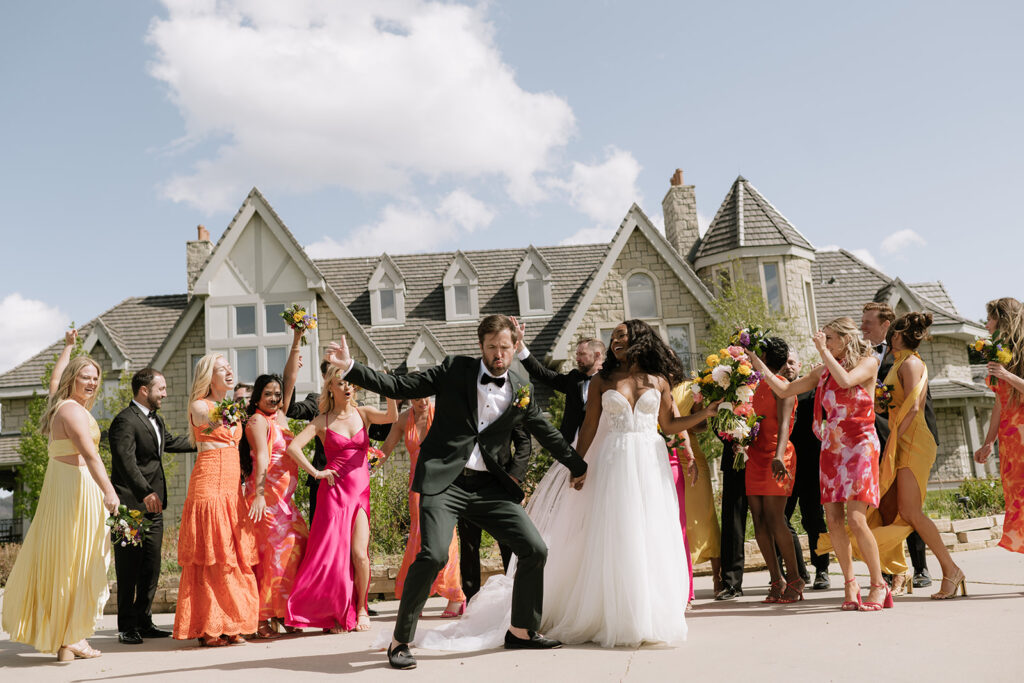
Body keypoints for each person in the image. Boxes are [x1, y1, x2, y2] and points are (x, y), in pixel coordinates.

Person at [414, 319, 721, 652]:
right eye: (612, 338)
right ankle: (609, 613)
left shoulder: (659, 381)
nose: (615, 342)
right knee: (615, 533)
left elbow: (672, 424)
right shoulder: (604, 380)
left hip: (650, 463)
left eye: (621, 337)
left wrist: (709, 413)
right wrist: (577, 466)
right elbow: (588, 429)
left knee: (648, 533)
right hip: (614, 462)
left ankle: (647, 614)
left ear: (640, 340)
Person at [324, 314, 589, 670]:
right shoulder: (454, 369)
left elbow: (546, 432)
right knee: (432, 554)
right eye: (492, 347)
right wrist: (353, 367)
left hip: (489, 488)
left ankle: (521, 630)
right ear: (481, 346)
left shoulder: (520, 389)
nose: (498, 354)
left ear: (514, 348)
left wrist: (579, 466)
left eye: (505, 347)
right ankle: (401, 640)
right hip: (444, 482)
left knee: (534, 549)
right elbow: (401, 385)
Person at [748, 317, 889, 612]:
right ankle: (851, 584)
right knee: (834, 520)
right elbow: (785, 390)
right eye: (823, 338)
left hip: (860, 446)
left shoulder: (868, 363)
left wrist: (823, 353)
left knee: (856, 519)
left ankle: (879, 584)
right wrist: (757, 364)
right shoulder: (822, 371)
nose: (825, 342)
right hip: (832, 448)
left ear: (845, 339)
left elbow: (846, 381)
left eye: (830, 338)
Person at [2, 331, 119, 661]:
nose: (92, 382)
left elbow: (55, 376)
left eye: (95, 377)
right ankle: (71, 636)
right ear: (74, 380)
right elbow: (91, 455)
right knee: (77, 561)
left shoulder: (60, 403)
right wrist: (109, 492)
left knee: (71, 559)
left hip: (65, 487)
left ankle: (68, 638)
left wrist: (68, 346)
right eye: (85, 376)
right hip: (76, 490)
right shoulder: (70, 412)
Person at [285, 371, 397, 633]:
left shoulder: (364, 413)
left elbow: (391, 417)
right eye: (341, 383)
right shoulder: (322, 421)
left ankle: (361, 608)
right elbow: (293, 448)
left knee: (360, 554)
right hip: (333, 494)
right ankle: (335, 611)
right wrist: (316, 472)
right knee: (331, 557)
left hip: (360, 491)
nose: (347, 387)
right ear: (331, 388)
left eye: (350, 383)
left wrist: (389, 389)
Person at [866, 313, 966, 599]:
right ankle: (904, 568)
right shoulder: (898, 362)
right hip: (900, 437)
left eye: (892, 333)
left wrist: (893, 442)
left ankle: (950, 570)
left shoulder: (910, 363)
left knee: (910, 511)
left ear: (897, 335)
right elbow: (892, 404)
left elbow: (913, 408)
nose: (889, 337)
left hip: (912, 441)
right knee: (900, 510)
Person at [173, 354, 259, 646]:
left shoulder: (231, 407)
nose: (230, 371)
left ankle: (231, 623)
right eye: (223, 369)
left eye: (230, 367)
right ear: (209, 376)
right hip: (208, 484)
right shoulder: (201, 406)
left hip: (231, 487)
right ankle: (209, 627)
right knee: (212, 554)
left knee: (230, 556)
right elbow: (206, 418)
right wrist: (235, 409)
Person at [108, 367, 194, 644]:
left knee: (151, 567)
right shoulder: (124, 421)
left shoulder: (155, 420)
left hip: (154, 508)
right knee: (128, 569)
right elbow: (126, 462)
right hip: (130, 509)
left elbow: (169, 442)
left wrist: (204, 442)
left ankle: (144, 622)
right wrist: (145, 492)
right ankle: (126, 626)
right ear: (144, 390)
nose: (165, 394)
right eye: (162, 389)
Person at [240, 330, 311, 638]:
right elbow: (263, 460)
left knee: (297, 549)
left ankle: (284, 613)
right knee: (273, 559)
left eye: (277, 394)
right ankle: (262, 619)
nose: (274, 397)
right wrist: (256, 496)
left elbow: (289, 375)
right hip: (266, 501)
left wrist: (297, 338)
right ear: (257, 397)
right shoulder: (257, 421)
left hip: (285, 501)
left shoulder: (280, 415)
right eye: (268, 393)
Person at [862, 302, 937, 591]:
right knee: (887, 505)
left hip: (906, 436)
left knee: (910, 505)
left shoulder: (909, 360)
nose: (863, 327)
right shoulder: (863, 355)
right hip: (877, 438)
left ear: (887, 326)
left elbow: (917, 400)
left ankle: (921, 567)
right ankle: (892, 570)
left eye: (868, 322)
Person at [380, 398, 467, 617]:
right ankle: (416, 596)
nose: (423, 402)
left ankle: (455, 596)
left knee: (446, 536)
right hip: (416, 485)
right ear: (410, 399)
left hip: (441, 482)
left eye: (427, 396)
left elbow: (458, 443)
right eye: (417, 398)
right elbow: (387, 448)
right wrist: (364, 465)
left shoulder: (440, 413)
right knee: (418, 538)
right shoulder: (403, 419)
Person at [739, 337, 802, 603]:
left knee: (776, 520)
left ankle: (796, 578)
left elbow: (786, 423)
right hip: (755, 456)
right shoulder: (752, 386)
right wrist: (739, 440)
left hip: (779, 454)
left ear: (764, 358)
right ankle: (776, 580)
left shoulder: (784, 386)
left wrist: (778, 456)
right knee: (759, 520)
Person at [456, 425, 531, 604]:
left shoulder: (512, 399)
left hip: (500, 483)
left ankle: (514, 598)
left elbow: (524, 441)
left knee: (509, 543)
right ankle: (471, 601)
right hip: (465, 484)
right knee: (468, 545)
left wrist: (514, 477)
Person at [974, 297, 1024, 557]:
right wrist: (988, 442)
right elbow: (999, 403)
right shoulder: (998, 352)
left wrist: (1007, 375)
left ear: (1003, 320)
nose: (987, 324)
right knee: (1018, 502)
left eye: (991, 318)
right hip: (1010, 441)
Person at [784, 352, 831, 590]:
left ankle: (822, 569)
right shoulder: (778, 390)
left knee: (813, 519)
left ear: (799, 365)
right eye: (784, 363)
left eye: (792, 362)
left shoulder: (812, 389)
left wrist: (821, 384)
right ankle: (798, 571)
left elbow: (828, 412)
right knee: (781, 518)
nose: (788, 366)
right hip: (785, 465)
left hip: (812, 462)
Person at [672, 382, 723, 596]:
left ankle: (718, 577)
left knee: (706, 516)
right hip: (666, 455)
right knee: (677, 522)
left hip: (691, 454)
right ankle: (683, 581)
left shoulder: (689, 389)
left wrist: (698, 412)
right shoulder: (651, 385)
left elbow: (700, 427)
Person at [517, 334, 605, 443]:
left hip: (601, 444)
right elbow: (541, 373)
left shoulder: (611, 381)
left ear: (597, 355)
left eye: (582, 354)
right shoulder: (573, 379)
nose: (577, 358)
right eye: (577, 354)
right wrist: (520, 344)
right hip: (571, 447)